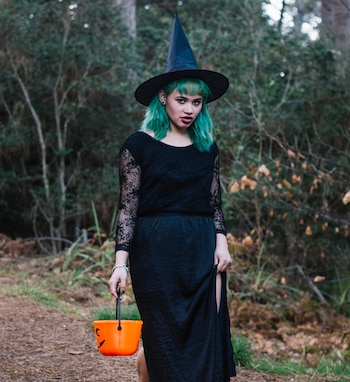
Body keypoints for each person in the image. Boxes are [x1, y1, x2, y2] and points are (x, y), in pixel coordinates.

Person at [108, 13, 237, 382]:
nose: (189, 109)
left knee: (204, 335)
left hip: (200, 250)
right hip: (155, 253)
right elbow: (128, 208)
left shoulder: (207, 147)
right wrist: (121, 264)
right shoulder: (138, 146)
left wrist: (222, 242)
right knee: (162, 338)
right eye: (182, 99)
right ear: (163, 98)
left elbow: (214, 203)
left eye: (197, 101)